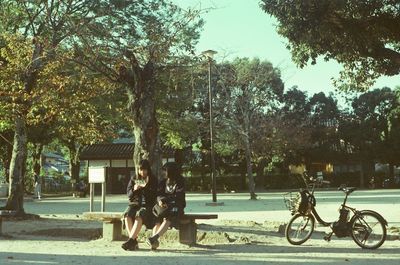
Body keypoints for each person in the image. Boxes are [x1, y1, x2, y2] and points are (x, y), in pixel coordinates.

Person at [147, 162, 186, 250]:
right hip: (164, 206)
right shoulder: (163, 182)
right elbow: (158, 194)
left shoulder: (180, 181)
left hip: (176, 206)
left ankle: (154, 238)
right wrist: (160, 200)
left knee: (168, 217)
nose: (163, 173)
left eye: (165, 171)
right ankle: (154, 242)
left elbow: (179, 195)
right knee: (158, 219)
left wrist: (166, 200)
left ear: (170, 171)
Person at [121, 159, 157, 251]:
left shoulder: (153, 179)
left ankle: (131, 241)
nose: (142, 172)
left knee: (139, 215)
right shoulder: (134, 178)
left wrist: (146, 188)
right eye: (140, 170)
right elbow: (129, 194)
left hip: (148, 205)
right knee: (127, 215)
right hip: (135, 203)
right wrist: (134, 189)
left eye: (144, 170)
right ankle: (133, 240)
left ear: (148, 169)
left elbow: (155, 195)